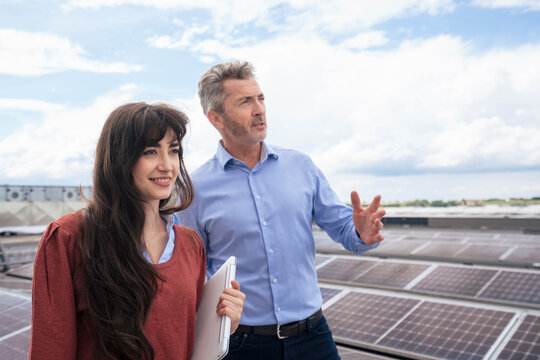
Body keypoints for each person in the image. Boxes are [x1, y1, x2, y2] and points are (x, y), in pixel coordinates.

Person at [177, 61, 386, 360]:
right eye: (245, 102)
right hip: (240, 346)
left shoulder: (301, 166)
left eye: (260, 98)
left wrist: (361, 233)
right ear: (216, 119)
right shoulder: (194, 189)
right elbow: (190, 272)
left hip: (313, 337)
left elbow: (343, 227)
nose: (259, 109)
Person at [30, 102, 245, 360]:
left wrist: (222, 325)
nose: (167, 165)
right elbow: (51, 349)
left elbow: (186, 339)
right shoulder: (68, 237)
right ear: (121, 159)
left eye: (173, 151)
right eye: (150, 152)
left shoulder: (191, 245)